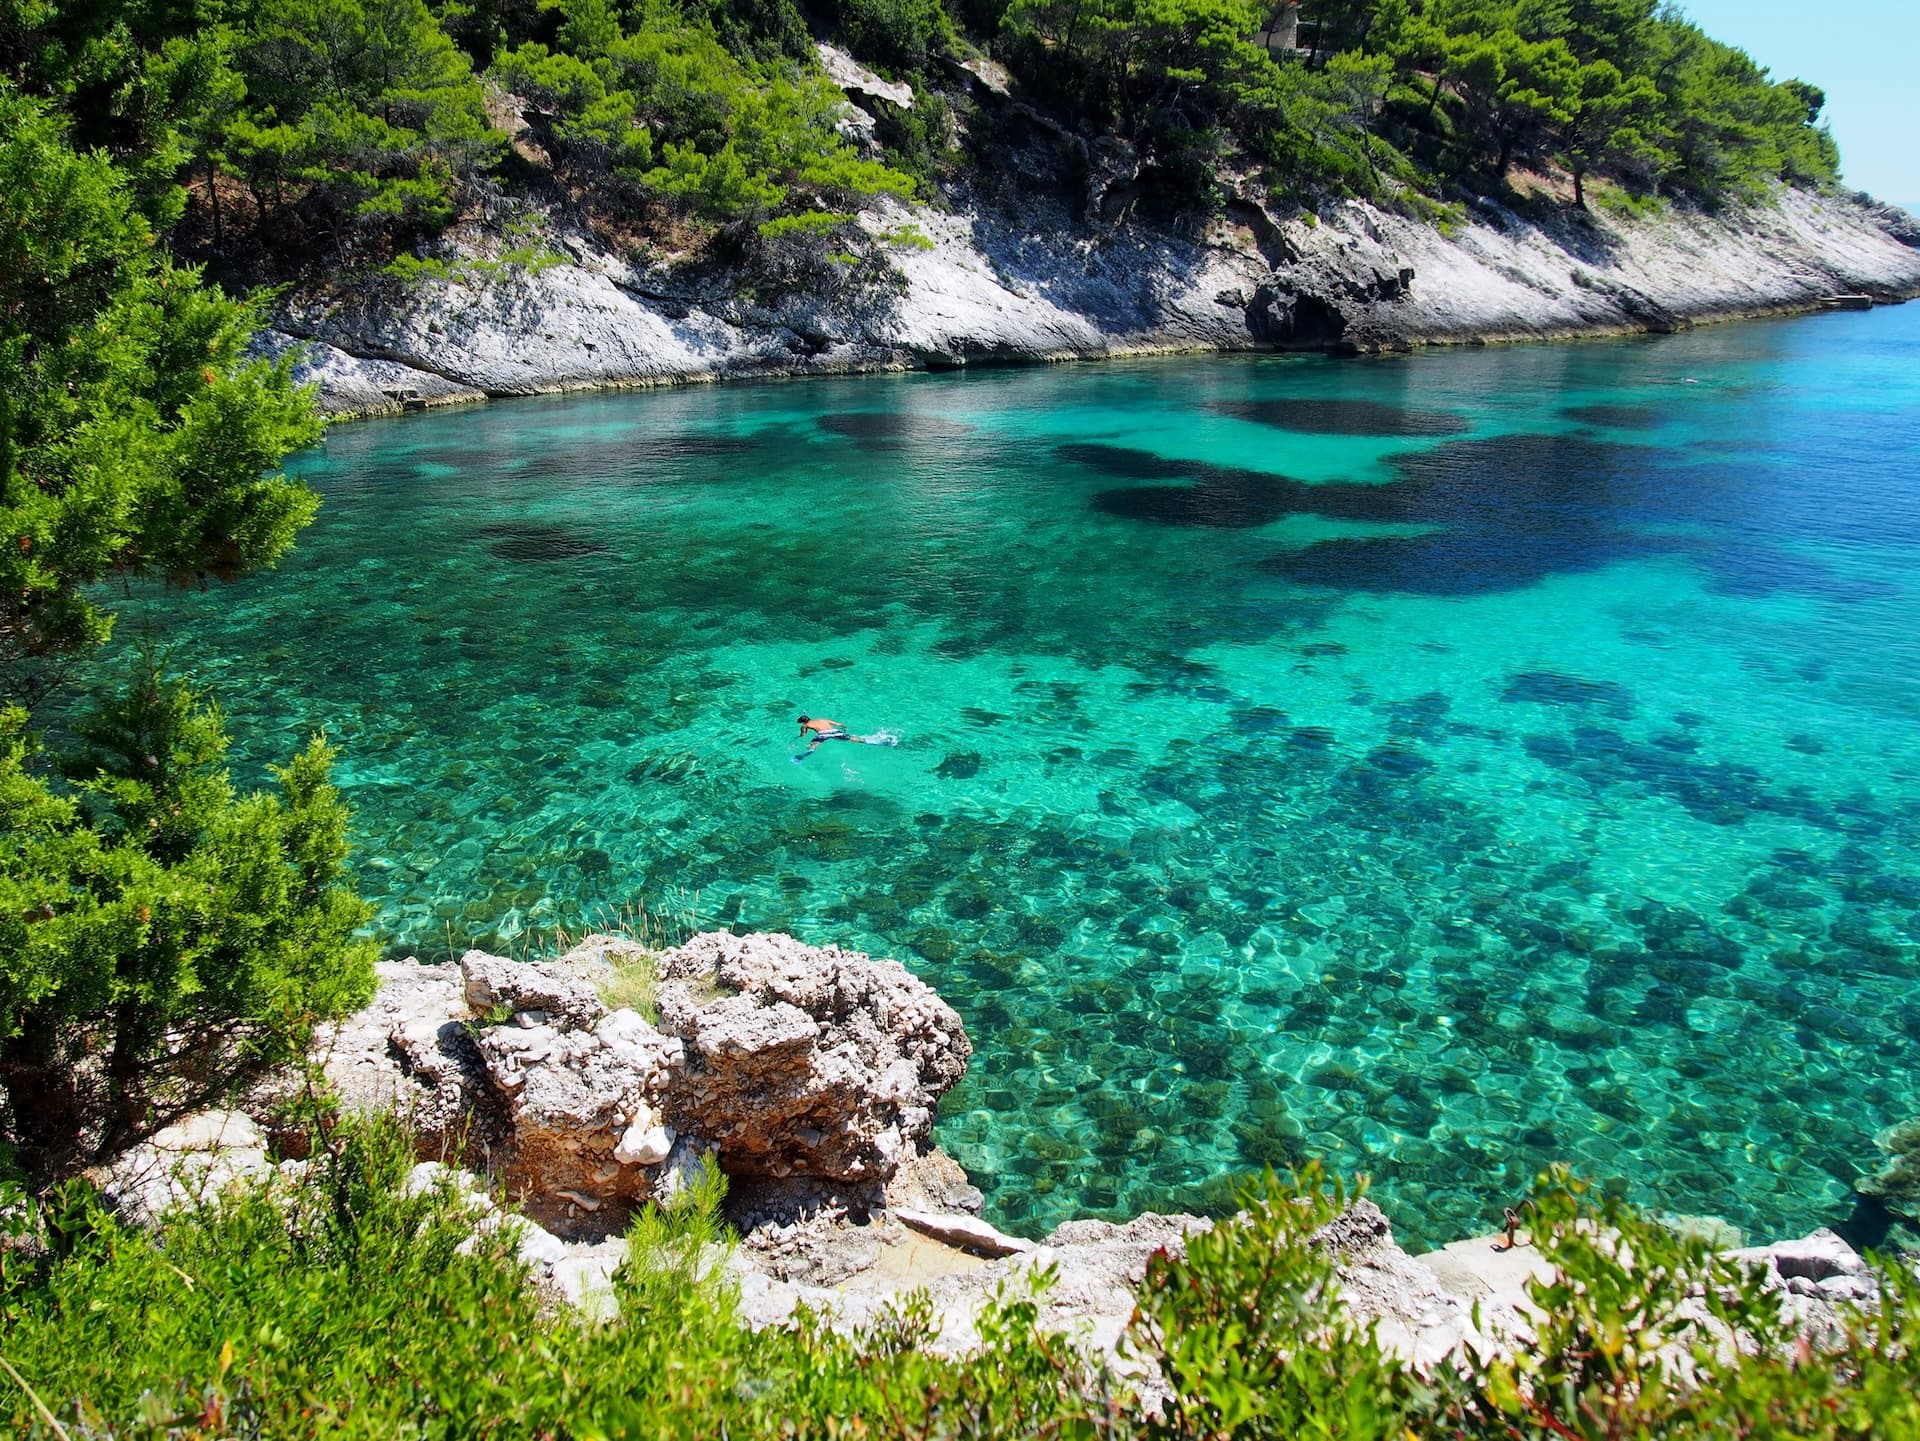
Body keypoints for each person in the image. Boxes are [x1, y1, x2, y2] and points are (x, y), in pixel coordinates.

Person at [796, 714, 863, 752]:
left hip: (823, 734)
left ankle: (808, 752)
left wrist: (798, 737)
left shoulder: (804, 725)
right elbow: (839, 724)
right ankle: (865, 740)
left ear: (803, 722)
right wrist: (845, 727)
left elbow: (803, 735)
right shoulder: (822, 719)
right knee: (850, 738)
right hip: (834, 731)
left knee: (812, 744)